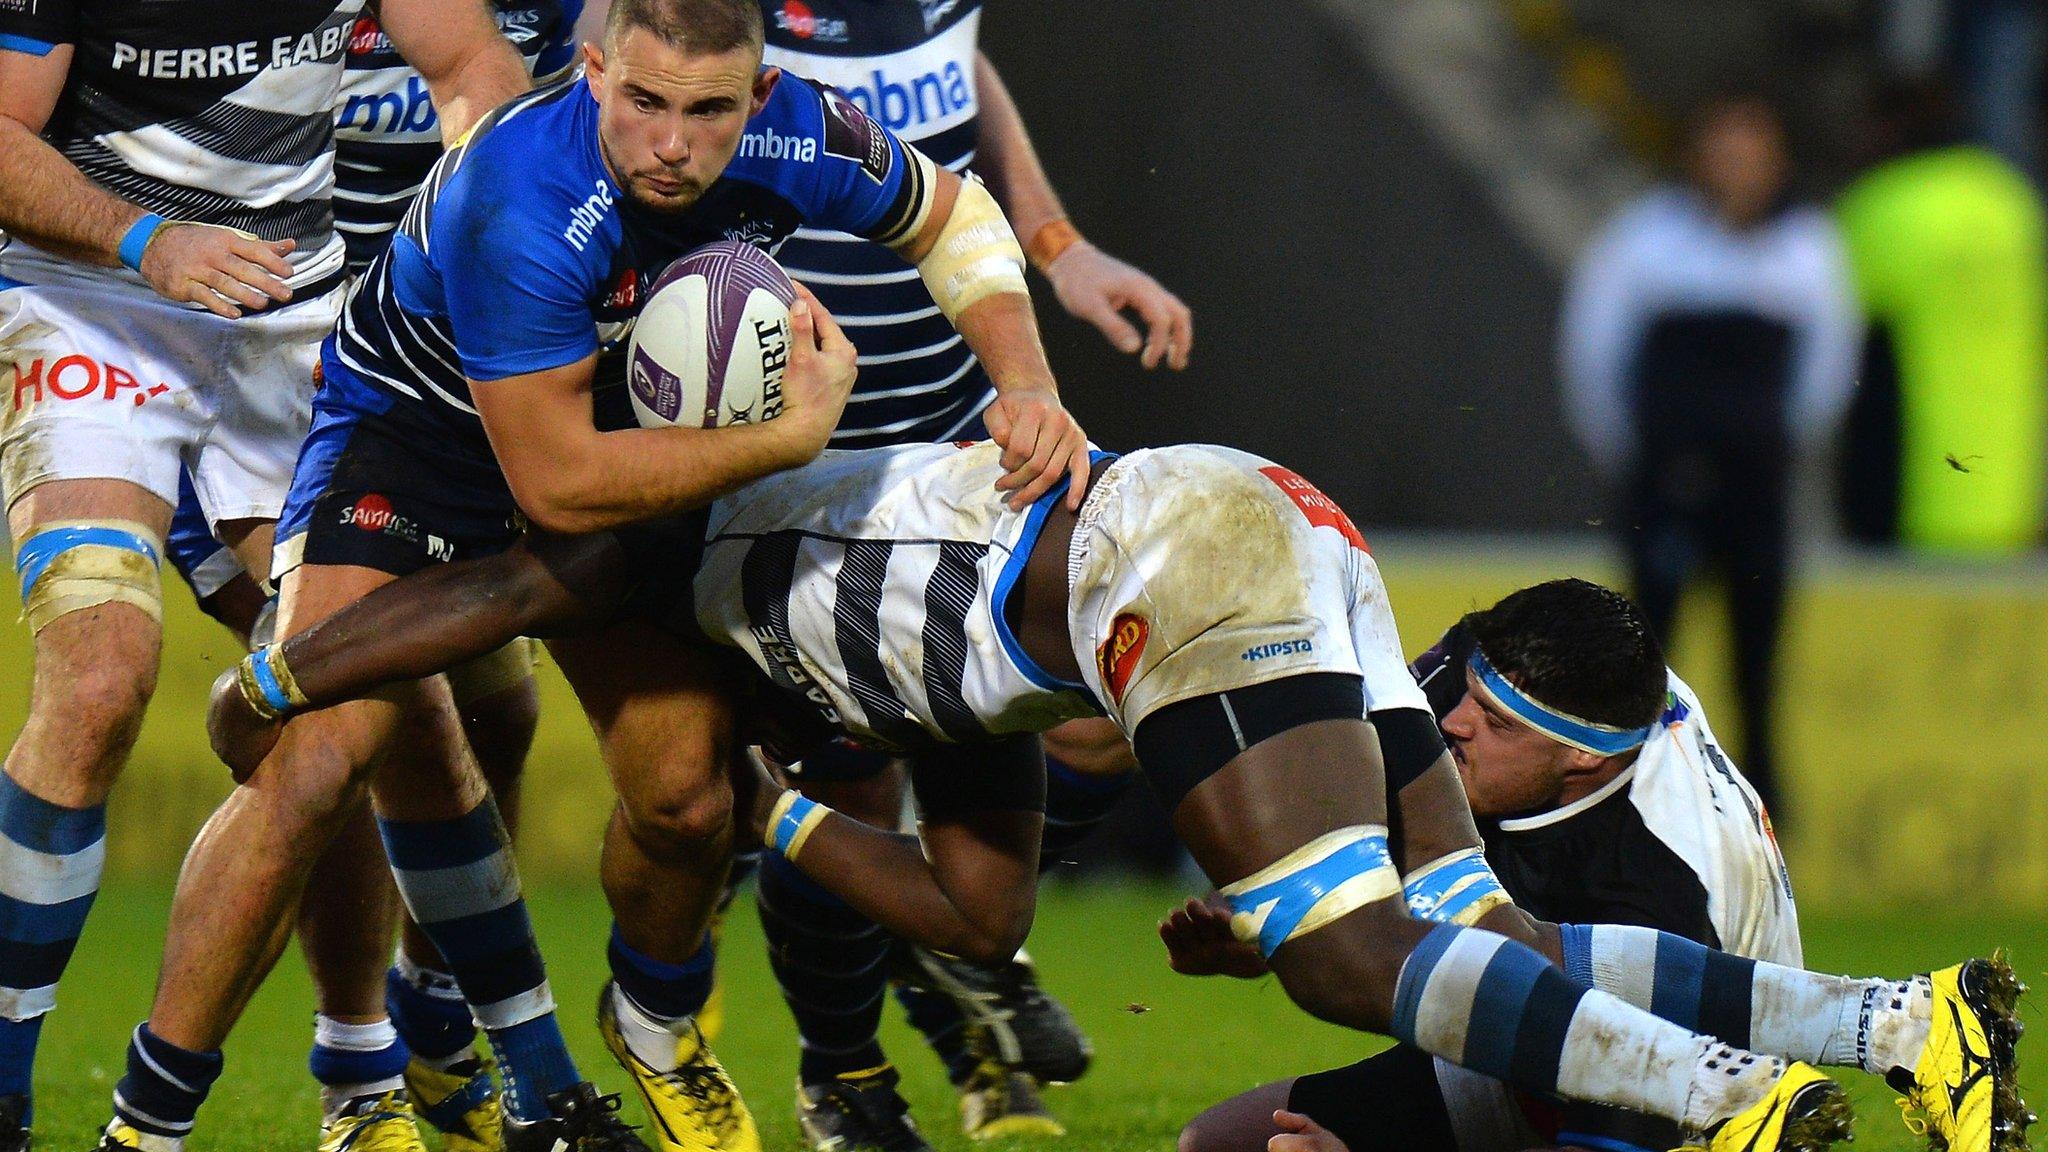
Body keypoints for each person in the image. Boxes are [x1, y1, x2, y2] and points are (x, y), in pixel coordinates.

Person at [206, 439, 2024, 1152]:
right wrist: (770, 817)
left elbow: (489, 590)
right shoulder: (852, 610)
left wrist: (282, 668)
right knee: (1475, 930)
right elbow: (1003, 868)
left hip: (1179, 541)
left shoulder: (638, 531)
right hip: (1265, 526)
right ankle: (1900, 1020)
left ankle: (1726, 1100)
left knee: (1341, 952)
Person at [105, 0, 1094, 1149]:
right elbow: (558, 494)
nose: (671, 142)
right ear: (590, 72)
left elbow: (950, 212)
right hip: (418, 448)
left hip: (633, 449)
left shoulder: (803, 131)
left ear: (757, 99)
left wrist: (1025, 381)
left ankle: (654, 1022)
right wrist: (785, 438)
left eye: (708, 109)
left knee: (684, 799)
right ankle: (147, 1127)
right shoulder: (525, 189)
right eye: (643, 101)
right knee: (318, 762)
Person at [0, 3, 531, 1150]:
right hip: (92, 301)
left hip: (294, 319)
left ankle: (468, 1070)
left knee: (402, 707)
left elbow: (471, 61)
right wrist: (148, 239)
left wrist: (491, 180)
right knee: (98, 684)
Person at [749, 0, 1192, 1143]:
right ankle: (842, 1074)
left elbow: (955, 77)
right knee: (850, 776)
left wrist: (1058, 246)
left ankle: (943, 940)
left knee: (1103, 701)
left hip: (963, 426)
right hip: (802, 457)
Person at [154, 6, 584, 1147]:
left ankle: (433, 1004)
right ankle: (361, 1070)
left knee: (501, 711)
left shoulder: (557, 21)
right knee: (358, 709)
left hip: (441, 400)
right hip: (255, 387)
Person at [1172, 579, 1801, 1152]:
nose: (1452, 721)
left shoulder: (1659, 900)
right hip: (1545, 1039)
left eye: (1494, 723)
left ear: (1582, 759)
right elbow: (1364, 791)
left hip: (1698, 1104)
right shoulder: (1511, 672)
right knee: (1217, 1144)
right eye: (1468, 693)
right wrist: (1271, 924)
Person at [1558, 92, 1859, 819]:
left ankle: (1759, 825)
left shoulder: (1809, 246)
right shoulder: (1645, 240)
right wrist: (1638, 455)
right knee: (1641, 659)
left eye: (1749, 148)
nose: (1734, 165)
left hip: (1755, 484)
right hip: (1665, 478)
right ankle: (1624, 812)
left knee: (1756, 663)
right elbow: (1593, 354)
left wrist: (1773, 446)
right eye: (1720, 146)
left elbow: (1827, 366)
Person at [1835, 75, 2048, 555]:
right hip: (2007, 492)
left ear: (1884, 128)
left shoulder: (1880, 207)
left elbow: (1831, 335)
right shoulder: (2010, 199)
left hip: (1911, 488)